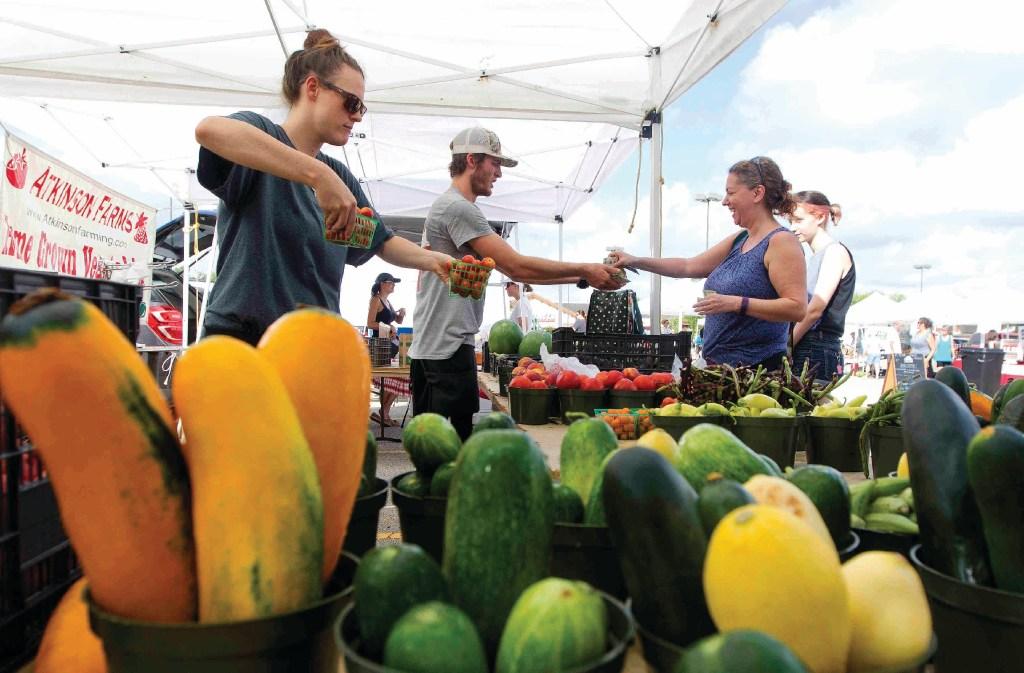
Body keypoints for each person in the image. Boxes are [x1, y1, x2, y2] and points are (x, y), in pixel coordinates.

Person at [193, 29, 451, 345]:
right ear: (313, 87)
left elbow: (379, 240)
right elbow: (209, 130)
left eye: (361, 108)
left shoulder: (339, 175)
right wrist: (318, 175)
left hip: (310, 349)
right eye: (350, 102)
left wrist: (436, 261)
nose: (356, 116)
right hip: (244, 343)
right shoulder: (264, 137)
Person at [409, 127, 623, 439]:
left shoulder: (451, 206)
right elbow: (516, 266)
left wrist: (584, 277)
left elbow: (515, 271)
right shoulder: (459, 208)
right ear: (472, 160)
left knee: (442, 459)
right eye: (494, 164)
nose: (498, 173)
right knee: (448, 461)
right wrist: (585, 269)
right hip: (446, 350)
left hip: (439, 348)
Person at [609, 156, 806, 368]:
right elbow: (688, 266)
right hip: (719, 368)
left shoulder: (781, 242)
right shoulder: (740, 239)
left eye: (731, 193)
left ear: (757, 193)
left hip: (758, 370)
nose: (724, 201)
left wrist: (735, 303)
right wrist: (635, 260)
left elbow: (796, 307)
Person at [788, 191, 856, 380]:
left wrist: (787, 347)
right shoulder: (818, 256)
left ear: (820, 217)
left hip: (817, 347)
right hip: (812, 346)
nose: (792, 227)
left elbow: (815, 309)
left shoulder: (834, 252)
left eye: (798, 220)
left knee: (813, 409)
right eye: (790, 221)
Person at [367, 272, 405, 426]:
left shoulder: (387, 302)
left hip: (390, 345)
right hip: (380, 346)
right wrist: (388, 326)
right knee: (392, 377)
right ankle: (384, 413)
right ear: (382, 284)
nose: (393, 285)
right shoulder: (376, 300)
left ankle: (384, 413)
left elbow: (398, 321)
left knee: (400, 376)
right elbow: (370, 323)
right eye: (391, 282)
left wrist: (401, 314)